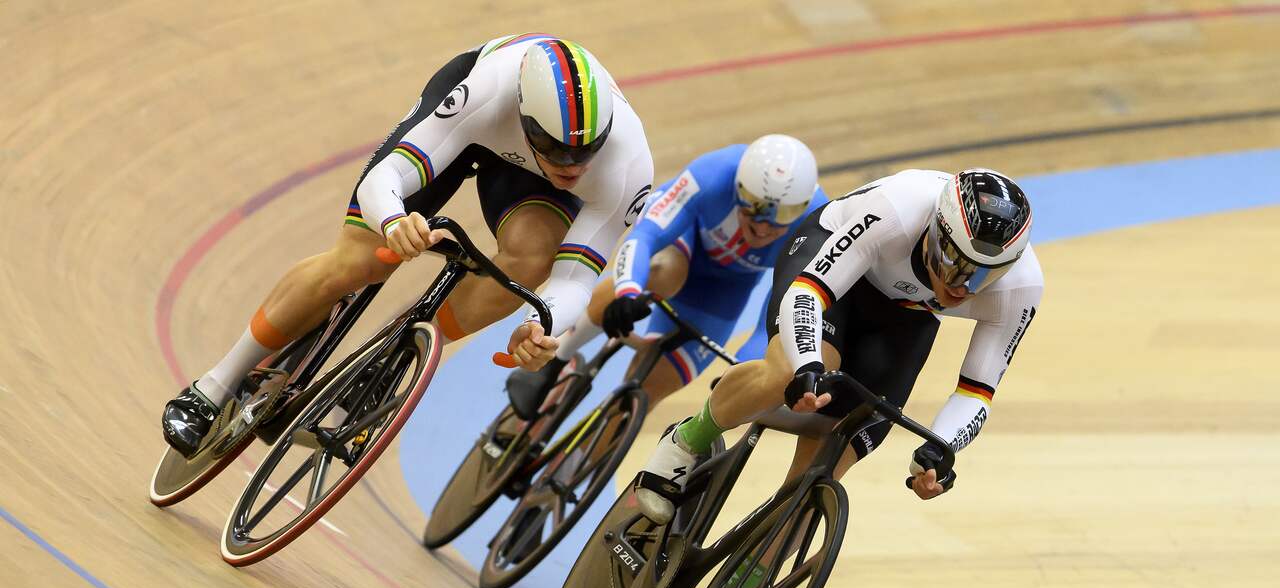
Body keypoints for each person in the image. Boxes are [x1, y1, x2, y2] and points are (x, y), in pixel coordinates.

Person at [161, 34, 654, 457]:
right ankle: (215, 385)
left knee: (530, 261)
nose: (573, 164)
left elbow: (575, 281)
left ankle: (388, 363)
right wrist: (395, 221)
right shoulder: (488, 90)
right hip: (471, 130)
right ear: (527, 121)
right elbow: (388, 177)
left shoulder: (627, 169)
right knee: (358, 261)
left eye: (586, 150)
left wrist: (539, 323)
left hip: (529, 177)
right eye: (558, 150)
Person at [635, 167, 1042, 517]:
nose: (966, 287)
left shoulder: (1020, 287)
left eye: (986, 274)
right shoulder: (894, 211)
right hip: (830, 262)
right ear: (937, 233)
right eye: (958, 264)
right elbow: (808, 294)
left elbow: (977, 390)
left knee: (841, 451)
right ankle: (686, 441)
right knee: (789, 371)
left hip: (906, 312)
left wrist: (942, 449)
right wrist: (808, 364)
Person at [505, 135, 827, 422]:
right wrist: (628, 293)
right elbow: (644, 238)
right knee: (664, 270)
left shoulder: (815, 225)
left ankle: (572, 468)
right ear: (738, 190)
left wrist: (746, 370)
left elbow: (776, 321)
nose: (762, 229)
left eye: (780, 220)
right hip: (681, 247)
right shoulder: (714, 174)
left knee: (641, 396)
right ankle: (559, 356)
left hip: (723, 295)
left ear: (799, 209)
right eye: (752, 211)